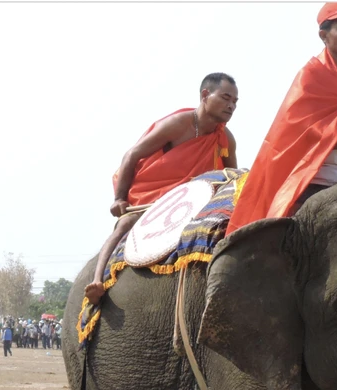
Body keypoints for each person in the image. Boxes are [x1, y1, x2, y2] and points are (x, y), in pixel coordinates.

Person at [227, 3, 337, 234]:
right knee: (281, 242)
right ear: (324, 35)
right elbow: (302, 132)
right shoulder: (311, 75)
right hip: (318, 178)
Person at [83, 74, 239, 305]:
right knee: (126, 224)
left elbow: (230, 176)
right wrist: (119, 198)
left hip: (195, 201)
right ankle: (97, 281)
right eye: (226, 98)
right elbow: (132, 155)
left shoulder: (225, 139)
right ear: (205, 95)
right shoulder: (178, 124)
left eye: (235, 101)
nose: (231, 105)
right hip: (155, 198)